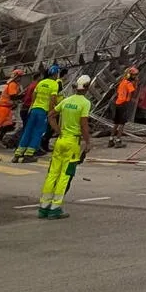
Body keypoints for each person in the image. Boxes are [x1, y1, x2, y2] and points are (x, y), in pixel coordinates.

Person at [38, 75, 92, 220]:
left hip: (60, 141)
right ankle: (55, 208)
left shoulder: (67, 101)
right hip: (72, 143)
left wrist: (58, 131)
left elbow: (50, 115)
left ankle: (44, 207)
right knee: (65, 176)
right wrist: (87, 142)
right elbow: (84, 124)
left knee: (52, 174)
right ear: (87, 87)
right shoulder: (85, 103)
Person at [13, 65, 60, 162]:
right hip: (43, 112)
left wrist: (33, 106)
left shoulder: (41, 83)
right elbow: (53, 99)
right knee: (37, 133)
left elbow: (34, 95)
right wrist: (51, 112)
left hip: (34, 110)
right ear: (55, 74)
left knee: (27, 131)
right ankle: (29, 155)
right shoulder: (54, 84)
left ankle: (18, 154)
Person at [39, 68, 68, 154]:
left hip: (56, 107)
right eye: (67, 75)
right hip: (55, 108)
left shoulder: (59, 82)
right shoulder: (58, 83)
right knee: (51, 127)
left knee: (52, 127)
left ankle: (45, 144)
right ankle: (43, 143)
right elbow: (54, 96)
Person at [109, 67, 138, 149]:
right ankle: (118, 140)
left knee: (116, 123)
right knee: (121, 124)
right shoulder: (128, 83)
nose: (135, 76)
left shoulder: (122, 82)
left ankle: (111, 140)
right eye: (134, 75)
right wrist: (135, 84)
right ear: (130, 75)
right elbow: (133, 92)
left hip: (118, 103)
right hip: (123, 104)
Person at [0, 69, 24, 139]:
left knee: (7, 125)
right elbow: (13, 97)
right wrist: (24, 95)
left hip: (6, 108)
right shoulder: (12, 84)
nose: (21, 79)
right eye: (20, 77)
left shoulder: (13, 84)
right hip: (3, 108)